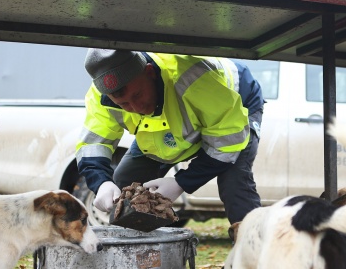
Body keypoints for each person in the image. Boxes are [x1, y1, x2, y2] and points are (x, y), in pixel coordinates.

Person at [76, 50, 264, 224]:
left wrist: (181, 182)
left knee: (234, 184)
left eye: (138, 94)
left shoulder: (193, 78)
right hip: (175, 126)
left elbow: (228, 139)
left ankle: (252, 255)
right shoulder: (101, 97)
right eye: (123, 103)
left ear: (150, 72)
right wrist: (101, 182)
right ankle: (135, 254)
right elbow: (92, 145)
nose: (137, 107)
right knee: (126, 184)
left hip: (233, 111)